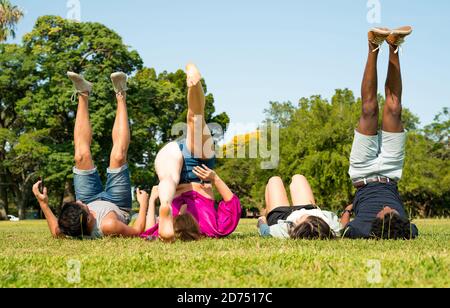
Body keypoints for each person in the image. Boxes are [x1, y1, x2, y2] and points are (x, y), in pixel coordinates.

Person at [32, 72, 149, 238]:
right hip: (117, 204)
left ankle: (83, 92)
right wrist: (144, 204)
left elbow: (56, 232)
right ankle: (121, 93)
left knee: (80, 156)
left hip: (91, 197)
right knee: (118, 156)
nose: (79, 202)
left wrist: (43, 203)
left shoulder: (71, 226)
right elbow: (137, 231)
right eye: (80, 205)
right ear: (88, 220)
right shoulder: (108, 226)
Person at [145, 64, 241, 242]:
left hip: (200, 172)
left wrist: (214, 178)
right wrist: (153, 202)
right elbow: (148, 230)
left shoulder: (213, 231)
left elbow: (232, 204)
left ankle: (194, 84)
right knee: (168, 178)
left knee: (196, 119)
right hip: (189, 177)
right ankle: (165, 203)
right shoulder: (208, 230)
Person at [341, 27, 419, 240]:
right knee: (394, 109)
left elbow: (343, 229)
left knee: (369, 109)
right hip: (391, 171)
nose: (385, 207)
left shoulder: (361, 230)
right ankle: (394, 45)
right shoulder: (405, 230)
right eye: (391, 212)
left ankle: (373, 45)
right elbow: (413, 230)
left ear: (377, 221)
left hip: (362, 172)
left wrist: (348, 211)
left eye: (385, 213)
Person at [257, 175, 340, 240]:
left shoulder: (287, 229)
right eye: (305, 217)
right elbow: (343, 225)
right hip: (309, 208)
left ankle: (268, 209)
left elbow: (265, 232)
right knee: (298, 178)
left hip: (281, 217)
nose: (297, 219)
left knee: (274, 180)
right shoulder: (332, 227)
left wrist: (262, 220)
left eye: (298, 221)